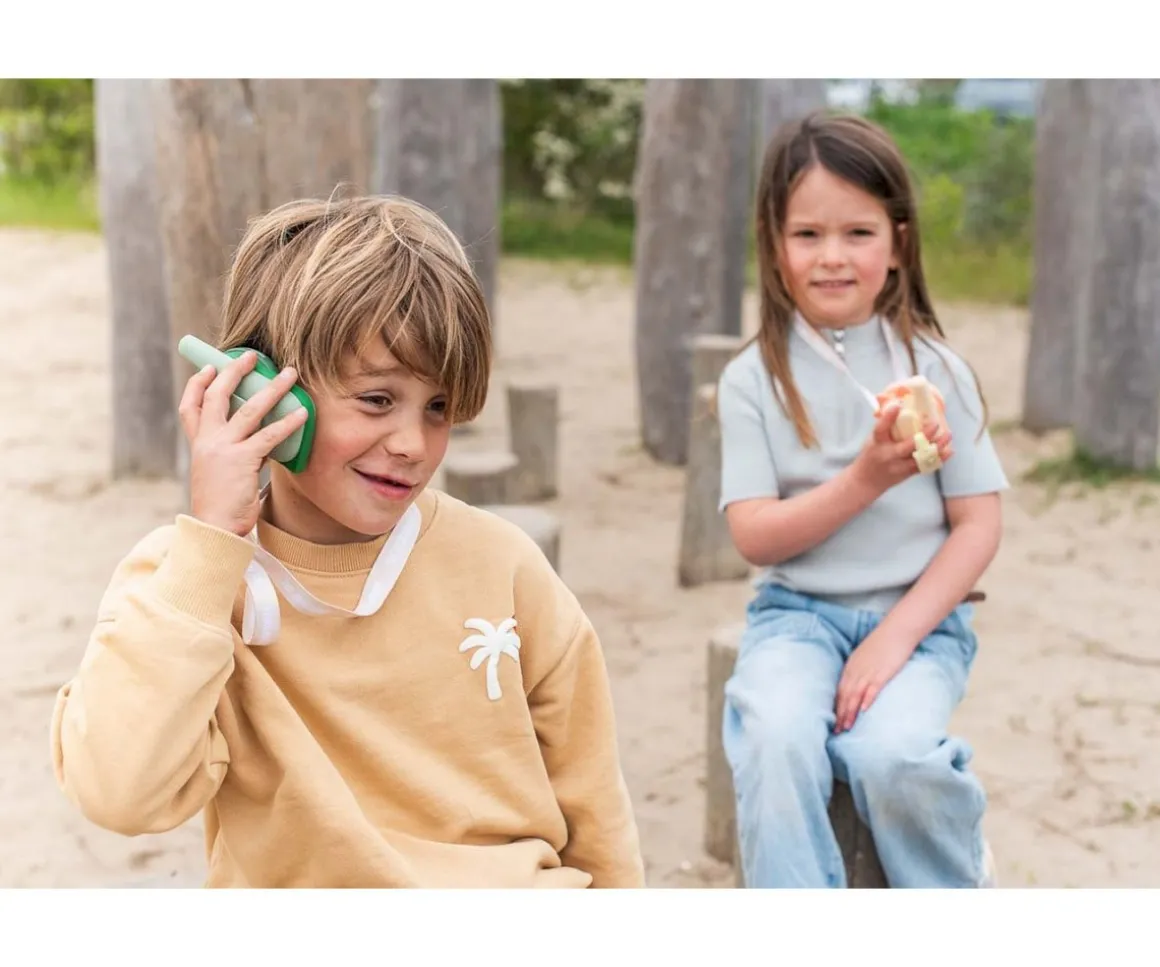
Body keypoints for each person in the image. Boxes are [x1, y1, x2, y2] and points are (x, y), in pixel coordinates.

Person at [51, 194, 645, 889]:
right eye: (377, 400)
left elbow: (595, 809)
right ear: (260, 391)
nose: (413, 443)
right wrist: (212, 547)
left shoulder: (504, 565)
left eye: (438, 408)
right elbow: (119, 792)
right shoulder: (186, 584)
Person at [716, 112, 1007, 888]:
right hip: (795, 616)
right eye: (807, 234)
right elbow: (754, 535)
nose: (833, 256)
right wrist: (865, 480)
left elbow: (978, 525)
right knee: (776, 739)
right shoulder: (751, 380)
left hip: (921, 621)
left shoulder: (937, 370)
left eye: (858, 232)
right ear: (773, 243)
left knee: (890, 754)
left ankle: (958, 872)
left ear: (898, 242)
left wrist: (894, 638)